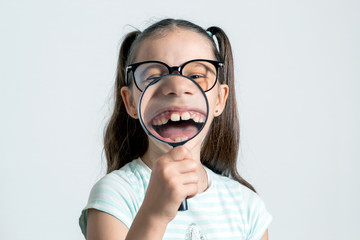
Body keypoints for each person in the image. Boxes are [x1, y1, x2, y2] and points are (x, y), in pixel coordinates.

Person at [79, 18, 272, 240]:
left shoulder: (247, 207)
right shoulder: (115, 194)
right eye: (154, 76)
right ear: (131, 102)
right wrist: (155, 214)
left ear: (220, 99)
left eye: (196, 76)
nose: (177, 87)